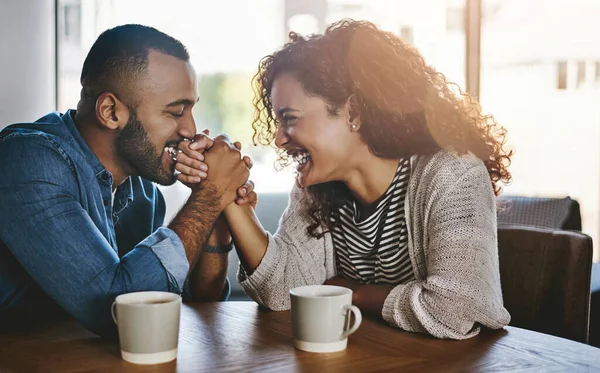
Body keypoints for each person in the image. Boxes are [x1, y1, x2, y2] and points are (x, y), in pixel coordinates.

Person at [222, 19, 512, 339]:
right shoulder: (317, 189)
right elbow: (283, 293)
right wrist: (230, 197)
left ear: (354, 112)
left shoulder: (452, 175)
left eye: (289, 119)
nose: (278, 139)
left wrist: (353, 293)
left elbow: (458, 310)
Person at [0, 24, 252, 336]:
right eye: (176, 112)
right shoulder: (28, 161)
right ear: (110, 111)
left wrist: (217, 207)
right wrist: (209, 197)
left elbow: (191, 303)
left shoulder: (142, 190)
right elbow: (119, 312)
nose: (191, 129)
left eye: (191, 109)